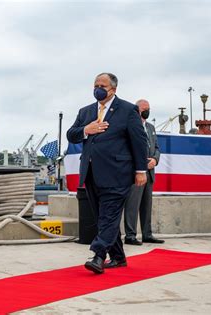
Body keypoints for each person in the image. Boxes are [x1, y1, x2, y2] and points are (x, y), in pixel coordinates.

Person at [67, 73, 148, 274]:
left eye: (102, 85)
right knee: (103, 217)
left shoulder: (128, 110)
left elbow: (139, 142)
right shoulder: (85, 112)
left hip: (118, 173)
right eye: (96, 85)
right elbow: (71, 134)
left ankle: (98, 255)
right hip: (92, 173)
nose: (98, 88)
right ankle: (119, 257)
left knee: (108, 216)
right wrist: (87, 129)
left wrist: (141, 170)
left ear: (113, 89)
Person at [123, 99, 164, 245]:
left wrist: (155, 160)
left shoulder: (151, 127)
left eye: (149, 108)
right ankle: (130, 235)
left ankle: (147, 234)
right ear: (137, 110)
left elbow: (157, 148)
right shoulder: (130, 125)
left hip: (150, 172)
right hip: (136, 172)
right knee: (133, 204)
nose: (147, 111)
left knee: (147, 205)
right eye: (144, 108)